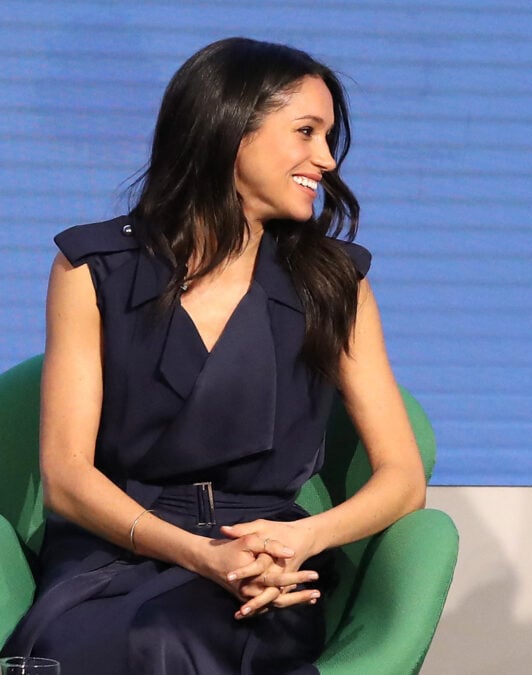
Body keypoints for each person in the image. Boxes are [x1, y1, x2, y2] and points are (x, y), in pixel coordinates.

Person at [1, 37, 426, 674]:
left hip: (264, 556)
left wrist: (299, 539)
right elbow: (65, 478)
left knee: (168, 640)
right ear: (228, 130)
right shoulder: (91, 268)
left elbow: (403, 476)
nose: (327, 160)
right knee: (96, 647)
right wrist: (199, 556)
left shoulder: (335, 281)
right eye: (306, 132)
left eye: (329, 137)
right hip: (119, 544)